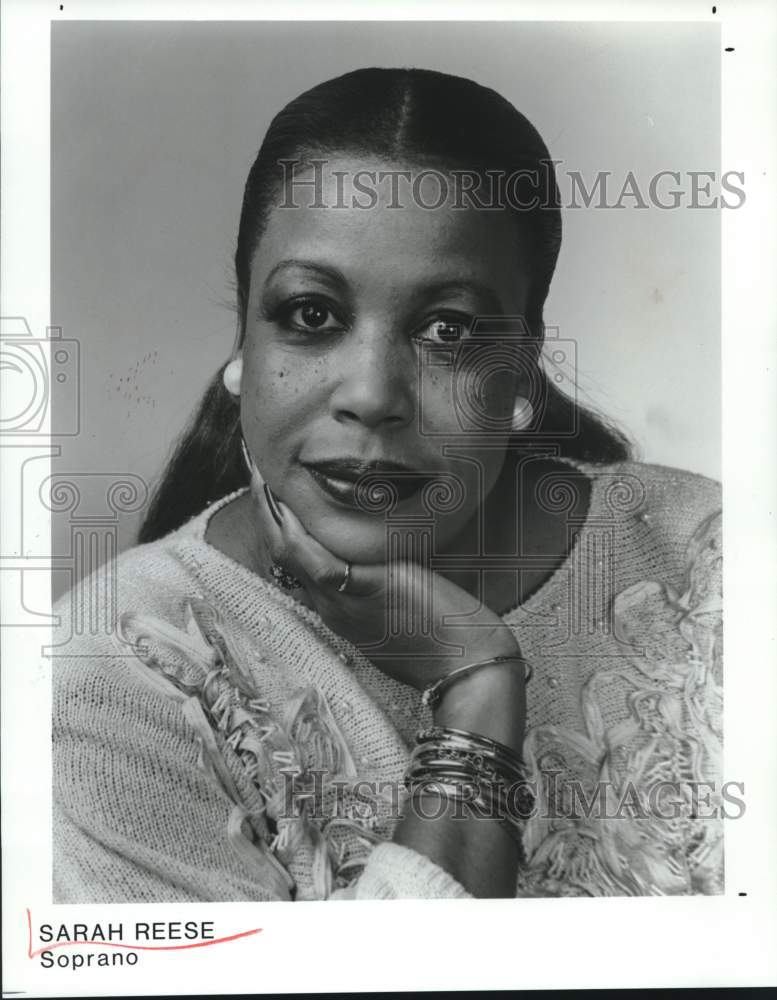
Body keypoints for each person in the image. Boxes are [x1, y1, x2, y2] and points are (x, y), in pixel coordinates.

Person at [52, 67, 723, 902]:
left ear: (521, 364)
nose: (370, 394)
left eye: (448, 329)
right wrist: (476, 697)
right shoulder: (112, 671)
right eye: (311, 315)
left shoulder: (718, 564)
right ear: (245, 340)